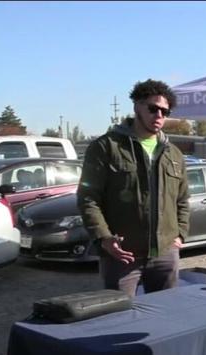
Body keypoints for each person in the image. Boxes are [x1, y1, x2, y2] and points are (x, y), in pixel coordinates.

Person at [76, 79, 189, 296]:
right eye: (153, 109)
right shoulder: (106, 147)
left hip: (165, 254)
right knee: (120, 317)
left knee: (166, 319)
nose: (159, 116)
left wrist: (180, 234)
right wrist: (104, 237)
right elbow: (88, 198)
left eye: (165, 112)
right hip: (122, 256)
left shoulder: (173, 154)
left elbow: (183, 200)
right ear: (137, 106)